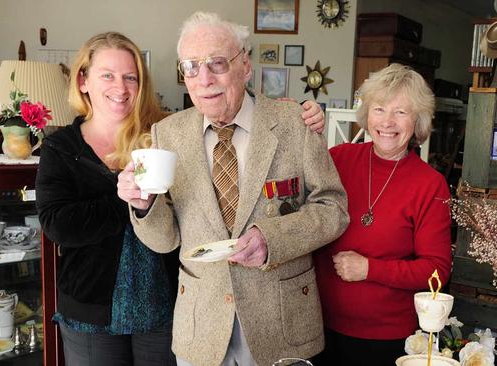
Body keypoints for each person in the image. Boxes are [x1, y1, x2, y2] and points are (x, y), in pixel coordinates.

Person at [35, 31, 326, 366]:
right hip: (93, 306)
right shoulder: (61, 146)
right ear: (83, 81)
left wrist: (299, 113)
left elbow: (236, 120)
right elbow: (59, 225)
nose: (121, 87)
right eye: (108, 76)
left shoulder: (165, 131)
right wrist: (130, 200)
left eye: (131, 76)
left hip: (165, 303)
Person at [117, 11, 349, 366]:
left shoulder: (293, 123)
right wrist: (145, 207)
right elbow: (165, 241)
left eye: (217, 63)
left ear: (246, 66)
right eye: (191, 66)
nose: (204, 78)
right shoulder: (169, 134)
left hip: (282, 325)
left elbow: (333, 208)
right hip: (202, 327)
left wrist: (272, 238)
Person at [313, 63, 452, 366]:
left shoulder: (431, 184)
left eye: (401, 112)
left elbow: (436, 271)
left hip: (388, 340)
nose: (388, 122)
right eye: (379, 109)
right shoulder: (337, 159)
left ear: (418, 121)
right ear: (366, 114)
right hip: (319, 328)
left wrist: (369, 269)